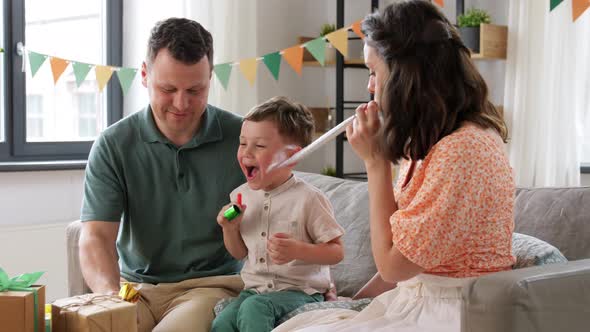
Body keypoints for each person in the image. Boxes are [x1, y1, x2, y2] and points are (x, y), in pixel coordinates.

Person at [273, 1, 515, 331]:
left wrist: (376, 163)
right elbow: (408, 257)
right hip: (418, 301)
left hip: (455, 314)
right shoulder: (434, 143)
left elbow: (393, 267)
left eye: (374, 72)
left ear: (405, 74)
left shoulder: (463, 150)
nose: (370, 86)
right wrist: (356, 301)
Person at [79, 18, 247, 332]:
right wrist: (109, 298)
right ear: (144, 75)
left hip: (209, 287)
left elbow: (282, 208)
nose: (181, 104)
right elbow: (95, 237)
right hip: (134, 291)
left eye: (195, 90)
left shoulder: (244, 138)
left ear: (210, 77)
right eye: (168, 89)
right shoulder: (114, 144)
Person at [211, 96, 345, 332]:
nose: (247, 153)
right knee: (222, 322)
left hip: (301, 292)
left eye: (259, 146)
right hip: (255, 290)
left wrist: (298, 250)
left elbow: (336, 252)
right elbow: (240, 252)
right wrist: (229, 229)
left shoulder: (309, 199)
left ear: (292, 156)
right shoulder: (239, 197)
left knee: (255, 309)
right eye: (243, 143)